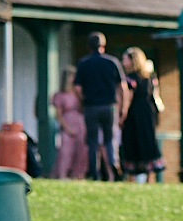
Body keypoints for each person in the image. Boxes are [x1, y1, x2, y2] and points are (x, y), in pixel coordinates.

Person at [74, 32, 125, 182]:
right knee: (110, 138)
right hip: (109, 106)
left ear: (89, 46)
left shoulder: (83, 63)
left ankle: (94, 172)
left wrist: (82, 101)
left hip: (91, 106)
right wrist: (122, 107)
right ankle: (113, 163)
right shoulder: (112, 62)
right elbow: (122, 87)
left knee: (93, 141)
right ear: (103, 45)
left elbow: (77, 88)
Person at [119, 47, 165, 183]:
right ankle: (150, 177)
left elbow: (128, 98)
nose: (123, 62)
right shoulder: (150, 77)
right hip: (147, 113)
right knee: (147, 141)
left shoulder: (130, 79)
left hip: (134, 115)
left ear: (133, 60)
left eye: (125, 59)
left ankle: (132, 176)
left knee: (132, 142)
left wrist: (122, 115)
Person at [50, 67, 87, 179]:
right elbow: (58, 114)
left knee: (81, 150)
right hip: (67, 124)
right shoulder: (60, 95)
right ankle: (62, 174)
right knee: (65, 151)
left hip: (80, 124)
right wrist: (67, 128)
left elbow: (83, 107)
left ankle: (78, 175)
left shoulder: (78, 93)